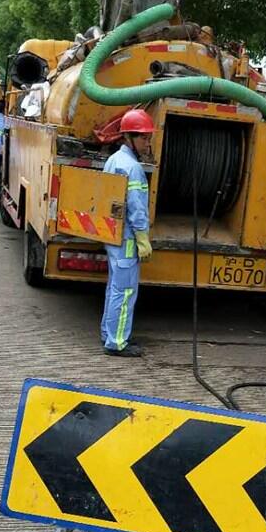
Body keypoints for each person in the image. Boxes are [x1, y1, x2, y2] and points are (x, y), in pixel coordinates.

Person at [100, 108, 154, 357]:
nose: (147, 142)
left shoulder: (113, 161)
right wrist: (143, 238)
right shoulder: (133, 168)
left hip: (113, 236)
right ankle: (117, 342)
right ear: (129, 137)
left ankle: (108, 333)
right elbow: (136, 208)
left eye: (148, 137)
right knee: (125, 292)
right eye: (143, 137)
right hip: (127, 239)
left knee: (114, 289)